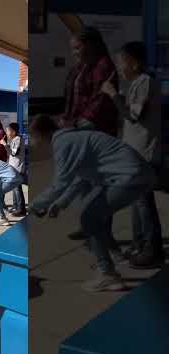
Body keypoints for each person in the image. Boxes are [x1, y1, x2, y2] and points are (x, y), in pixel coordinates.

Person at [29, 115, 156, 292]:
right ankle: (115, 257)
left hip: (128, 177)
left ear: (40, 134)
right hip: (129, 175)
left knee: (89, 217)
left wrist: (33, 206)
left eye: (32, 138)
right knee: (92, 214)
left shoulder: (63, 143)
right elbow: (79, 179)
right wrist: (60, 203)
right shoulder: (71, 139)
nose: (33, 143)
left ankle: (108, 274)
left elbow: (60, 184)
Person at [101, 42, 164, 269]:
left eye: (122, 62)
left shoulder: (145, 82)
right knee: (138, 204)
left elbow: (134, 115)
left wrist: (113, 95)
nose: (119, 67)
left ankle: (152, 249)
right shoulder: (137, 83)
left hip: (145, 154)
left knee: (144, 205)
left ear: (135, 63)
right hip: (135, 154)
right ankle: (139, 244)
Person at [60, 27, 120, 242]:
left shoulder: (104, 66)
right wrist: (65, 120)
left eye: (78, 48)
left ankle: (104, 236)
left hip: (96, 136)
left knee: (99, 189)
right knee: (83, 185)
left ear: (92, 44)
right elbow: (71, 99)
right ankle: (88, 226)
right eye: (73, 49)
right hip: (78, 134)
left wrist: (78, 126)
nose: (75, 52)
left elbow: (100, 102)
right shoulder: (79, 68)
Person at [0, 123, 26, 216]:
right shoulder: (13, 139)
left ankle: (21, 209)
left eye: (8, 131)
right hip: (13, 167)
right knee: (15, 188)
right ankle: (16, 206)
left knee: (17, 189)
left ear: (14, 132)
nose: (6, 132)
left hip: (17, 167)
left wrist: (4, 144)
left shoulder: (18, 139)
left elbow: (14, 153)